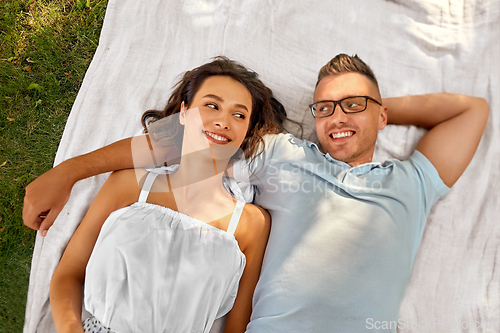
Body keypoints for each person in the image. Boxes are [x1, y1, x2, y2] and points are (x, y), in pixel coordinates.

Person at [26, 54, 488, 332]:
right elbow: (187, 138)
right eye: (324, 108)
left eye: (353, 105)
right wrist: (69, 171)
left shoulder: (411, 183)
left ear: (382, 115)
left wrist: (374, 107)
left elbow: (471, 111)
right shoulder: (283, 153)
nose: (337, 117)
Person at [48, 57, 283, 333]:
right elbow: (69, 273)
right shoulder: (129, 185)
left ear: (246, 132)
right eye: (212, 105)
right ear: (183, 113)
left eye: (239, 115)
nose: (223, 121)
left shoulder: (251, 224)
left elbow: (237, 327)